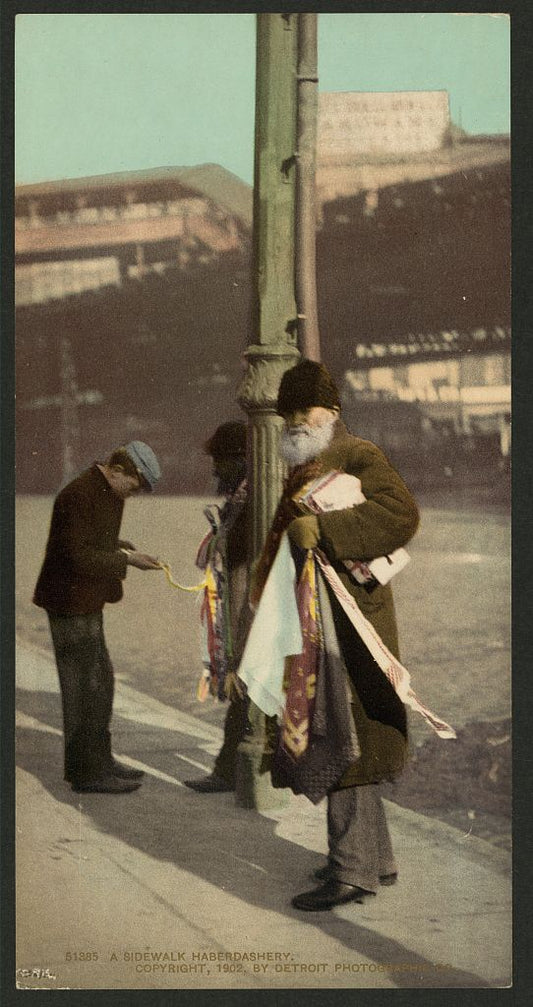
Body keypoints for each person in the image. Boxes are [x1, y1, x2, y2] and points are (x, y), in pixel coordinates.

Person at [249, 359, 420, 911]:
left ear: (333, 411)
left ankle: (352, 871)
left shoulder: (359, 455)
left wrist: (324, 528)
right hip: (323, 624)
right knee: (355, 742)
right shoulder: (309, 462)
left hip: (353, 629)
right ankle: (374, 860)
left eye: (306, 410)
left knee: (344, 739)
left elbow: (401, 515)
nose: (296, 420)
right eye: (289, 413)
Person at [33, 441, 162, 794]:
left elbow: (92, 539)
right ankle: (87, 774)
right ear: (118, 469)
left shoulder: (105, 491)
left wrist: (121, 545)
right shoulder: (79, 494)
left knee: (101, 681)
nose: (133, 495)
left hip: (85, 599)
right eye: (134, 486)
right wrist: (127, 561)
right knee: (83, 689)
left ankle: (101, 761)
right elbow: (77, 556)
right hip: (68, 601)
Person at [184, 421, 251, 794]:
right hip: (238, 605)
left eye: (220, 461)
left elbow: (240, 549)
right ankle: (229, 769)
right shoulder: (244, 495)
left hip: (249, 609)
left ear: (240, 459)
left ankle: (228, 771)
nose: (214, 470)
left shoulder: (251, 498)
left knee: (245, 682)